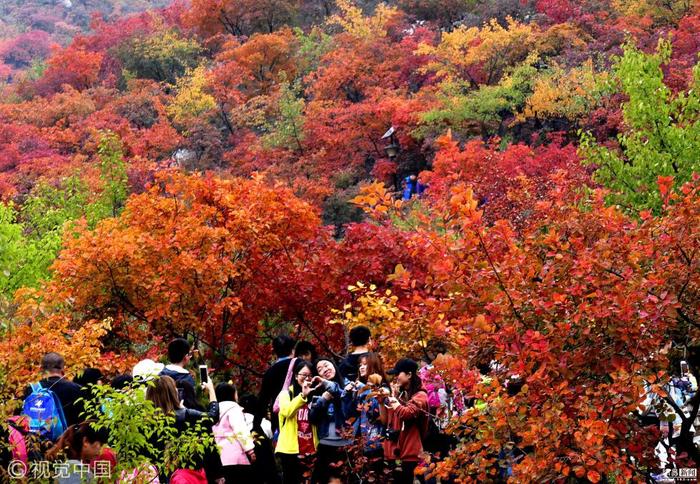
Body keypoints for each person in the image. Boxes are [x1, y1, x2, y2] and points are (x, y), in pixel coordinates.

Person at [146, 375, 219, 482]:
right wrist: (211, 391)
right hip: (181, 476)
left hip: (154, 476)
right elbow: (213, 416)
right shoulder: (184, 415)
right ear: (172, 392)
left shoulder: (145, 421)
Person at [379, 358, 429, 484]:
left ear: (409, 374)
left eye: (398, 374)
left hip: (411, 454)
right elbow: (385, 420)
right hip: (395, 453)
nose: (395, 377)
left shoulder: (420, 396)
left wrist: (393, 399)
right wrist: (381, 402)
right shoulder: (401, 395)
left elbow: (407, 414)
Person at [342, 352, 388, 478]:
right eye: (360, 365)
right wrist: (347, 394)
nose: (361, 367)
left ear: (374, 366)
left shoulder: (382, 389)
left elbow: (377, 415)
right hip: (357, 443)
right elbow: (347, 414)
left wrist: (365, 389)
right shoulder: (358, 388)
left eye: (365, 365)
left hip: (374, 443)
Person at [276, 360, 318, 484]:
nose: (307, 378)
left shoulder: (315, 395)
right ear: (295, 376)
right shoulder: (286, 394)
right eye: (303, 375)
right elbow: (287, 411)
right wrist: (302, 396)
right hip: (290, 450)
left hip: (310, 449)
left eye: (310, 375)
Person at [310, 358, 350, 483]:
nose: (324, 370)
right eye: (319, 369)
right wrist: (323, 400)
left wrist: (328, 385)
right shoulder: (317, 394)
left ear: (334, 365)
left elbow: (348, 406)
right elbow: (312, 418)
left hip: (345, 442)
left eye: (326, 365)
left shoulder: (348, 386)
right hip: (325, 443)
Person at [24, 353, 84, 428]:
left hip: (39, 437)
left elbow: (20, 419)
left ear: (41, 369)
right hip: (69, 438)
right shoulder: (76, 388)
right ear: (63, 369)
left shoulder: (32, 389)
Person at [213, 383, 256, 483]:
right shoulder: (233, 409)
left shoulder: (213, 410)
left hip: (218, 458)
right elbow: (240, 430)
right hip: (236, 457)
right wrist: (250, 450)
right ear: (232, 394)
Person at [45, 421, 110, 484]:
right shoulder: (74, 470)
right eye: (100, 444)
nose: (101, 450)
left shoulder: (73, 467)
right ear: (86, 441)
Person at [259, 334, 297, 432]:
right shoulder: (300, 365)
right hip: (300, 416)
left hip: (279, 419)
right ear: (293, 349)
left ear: (275, 351)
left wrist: (256, 425)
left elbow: (263, 400)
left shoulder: (269, 372)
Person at [239, 394, 280, 484]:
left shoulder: (235, 423)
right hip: (264, 470)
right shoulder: (264, 423)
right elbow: (272, 436)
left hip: (242, 469)